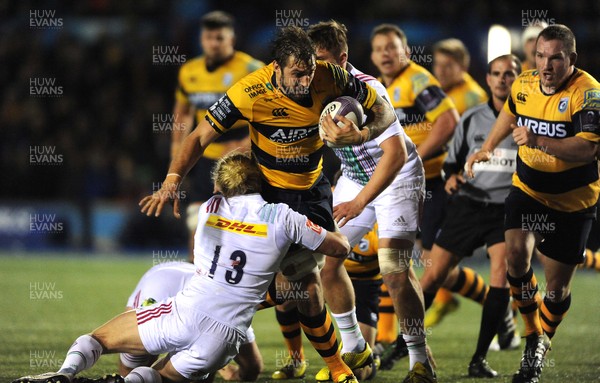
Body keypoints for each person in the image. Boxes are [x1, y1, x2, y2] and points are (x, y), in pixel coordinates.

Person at [140, 25, 396, 383]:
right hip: (266, 198)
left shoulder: (331, 76)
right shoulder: (249, 90)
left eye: (309, 72)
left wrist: (363, 133)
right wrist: (172, 180)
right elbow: (199, 136)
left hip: (311, 197)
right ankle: (209, 333)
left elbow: (384, 111)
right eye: (297, 73)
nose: (305, 81)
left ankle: (339, 365)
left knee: (305, 289)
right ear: (277, 67)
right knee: (285, 289)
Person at [12, 152, 352, 383]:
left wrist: (172, 183)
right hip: (226, 339)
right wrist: (317, 225)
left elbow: (216, 189)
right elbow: (340, 247)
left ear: (222, 186)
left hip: (186, 312)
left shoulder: (208, 208)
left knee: (97, 339)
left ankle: (65, 373)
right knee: (158, 378)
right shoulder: (284, 218)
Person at [466, 24, 600, 383]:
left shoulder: (588, 93)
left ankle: (541, 341)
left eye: (555, 58)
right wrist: (487, 147)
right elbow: (510, 112)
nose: (546, 65)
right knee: (515, 257)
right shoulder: (523, 83)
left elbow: (588, 148)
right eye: (541, 56)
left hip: (573, 201)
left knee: (556, 291)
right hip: (528, 189)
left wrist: (538, 139)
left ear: (571, 59)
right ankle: (533, 338)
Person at [307, 20, 435, 383]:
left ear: (343, 58)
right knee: (327, 262)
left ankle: (418, 361)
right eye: (310, 62)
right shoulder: (312, 86)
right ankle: (356, 348)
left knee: (395, 269)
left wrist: (360, 202)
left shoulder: (369, 89)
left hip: (397, 177)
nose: (316, 71)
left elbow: (394, 154)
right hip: (354, 178)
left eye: (323, 61)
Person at [419, 54, 522, 378]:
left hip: (507, 209)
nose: (503, 80)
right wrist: (450, 177)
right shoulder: (472, 116)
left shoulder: (532, 118)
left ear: (519, 78)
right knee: (433, 275)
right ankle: (403, 344)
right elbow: (452, 163)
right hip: (468, 205)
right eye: (496, 74)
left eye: (510, 74)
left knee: (500, 274)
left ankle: (479, 359)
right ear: (488, 79)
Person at [171, 10, 264, 261]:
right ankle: (195, 272)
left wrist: (247, 145)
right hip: (204, 155)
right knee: (197, 216)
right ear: (202, 40)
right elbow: (182, 115)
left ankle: (239, 272)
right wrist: (177, 156)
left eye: (220, 38)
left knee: (241, 219)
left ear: (231, 40)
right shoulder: (189, 72)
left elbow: (269, 114)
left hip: (242, 156)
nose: (214, 43)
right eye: (209, 38)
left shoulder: (252, 69)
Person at [425, 37, 489, 328]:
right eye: (438, 64)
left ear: (463, 66)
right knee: (429, 259)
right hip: (431, 181)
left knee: (435, 260)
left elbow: (482, 142)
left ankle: (497, 305)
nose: (441, 70)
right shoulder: (436, 93)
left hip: (456, 186)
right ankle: (450, 300)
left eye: (448, 65)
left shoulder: (473, 98)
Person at [119, 262, 263, 382]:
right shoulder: (161, 288)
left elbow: (252, 367)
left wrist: (232, 372)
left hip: (199, 293)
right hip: (162, 283)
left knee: (202, 368)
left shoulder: (231, 310)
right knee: (134, 360)